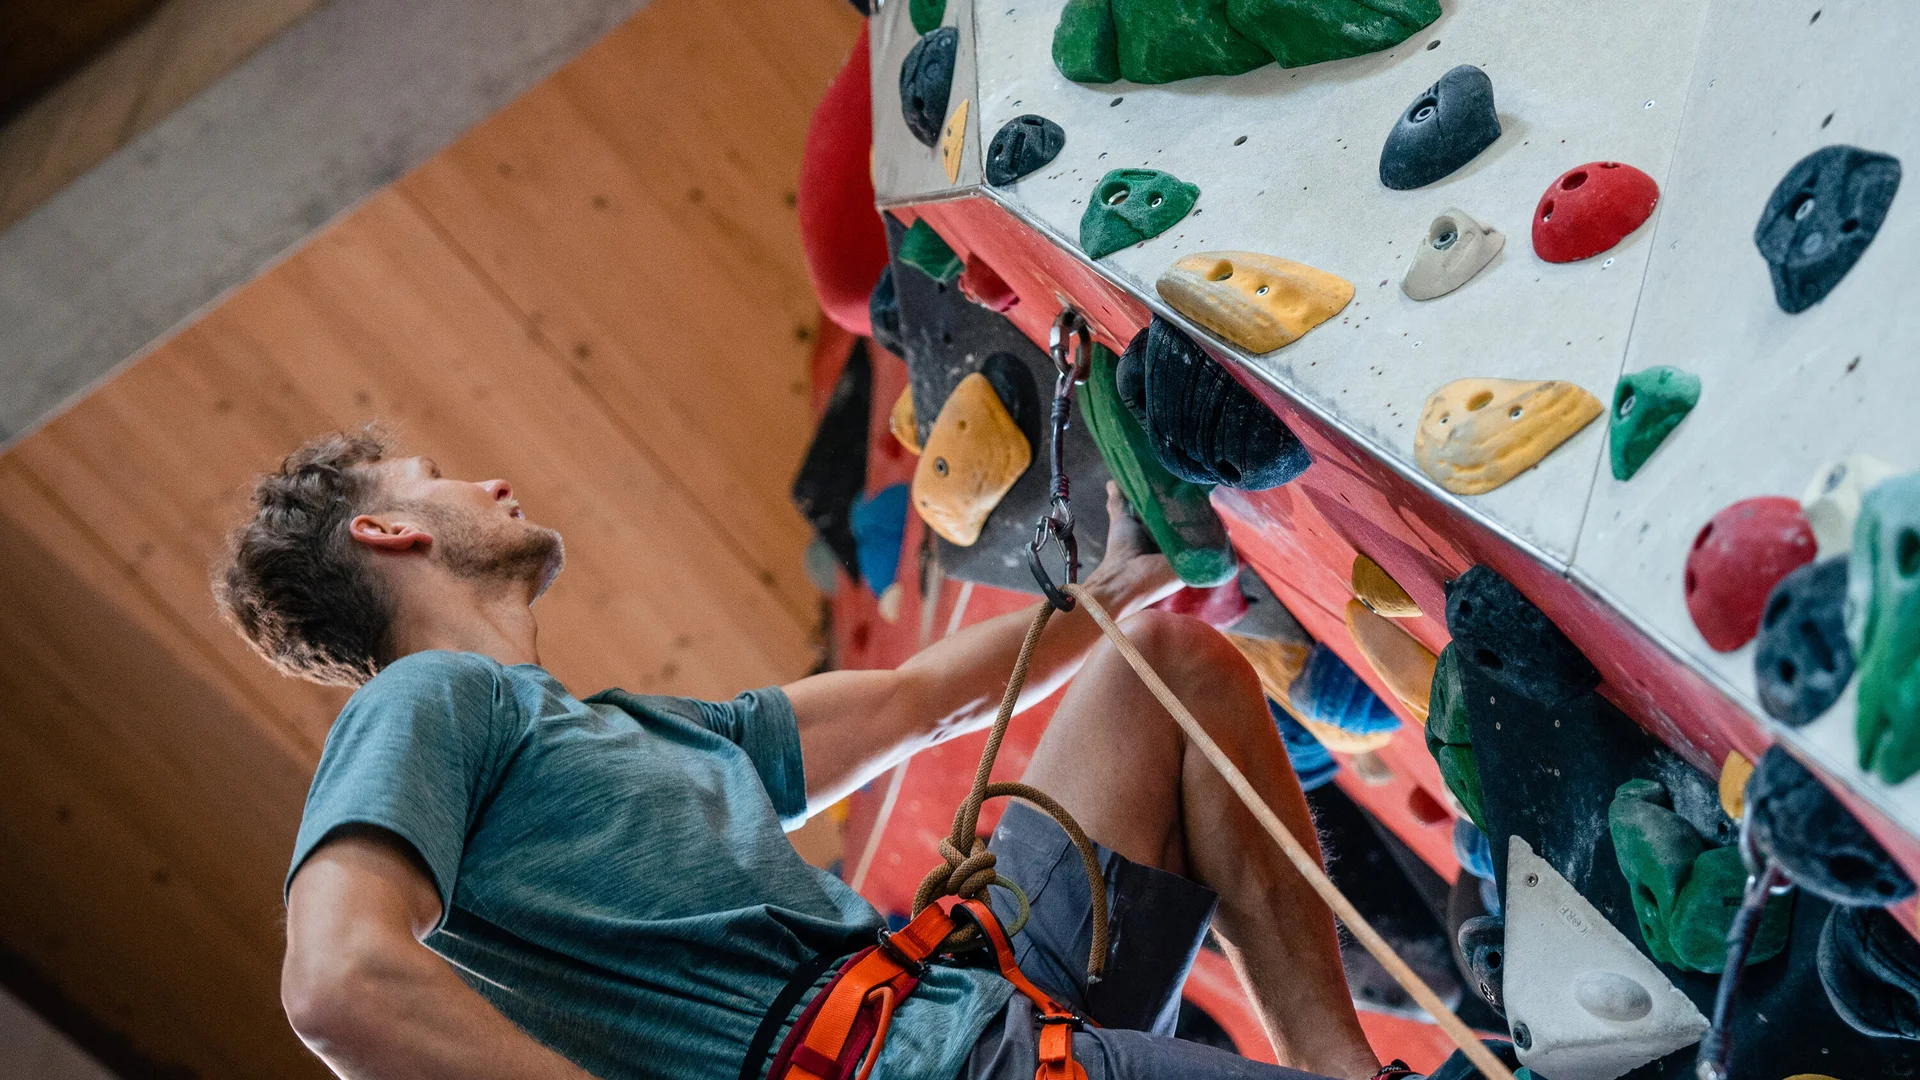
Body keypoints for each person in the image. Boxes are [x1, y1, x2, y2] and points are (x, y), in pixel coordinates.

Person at [214, 430, 1385, 1080]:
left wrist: (1123, 579)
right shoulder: (433, 697)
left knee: (1165, 668)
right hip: (914, 1065)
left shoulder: (625, 736)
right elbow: (338, 983)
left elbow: (917, 701)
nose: (491, 478)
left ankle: (1341, 1067)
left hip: (955, 998)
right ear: (389, 531)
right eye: (437, 479)